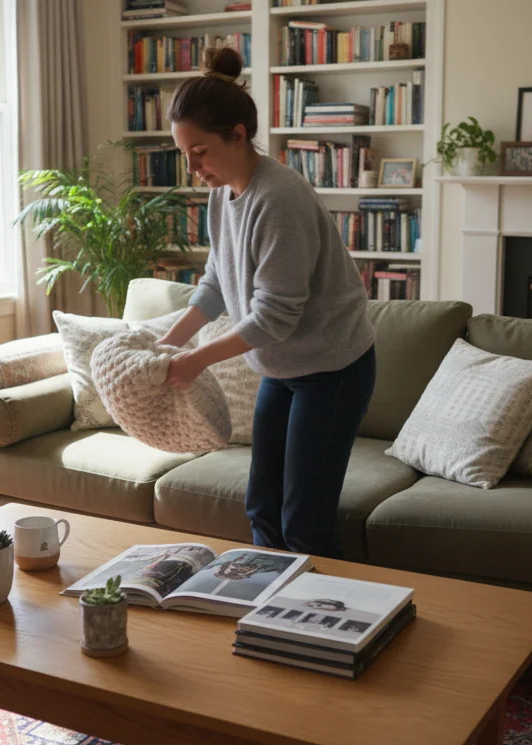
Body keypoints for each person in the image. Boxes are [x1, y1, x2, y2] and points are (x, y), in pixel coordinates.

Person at [154, 47, 377, 559]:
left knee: (304, 523)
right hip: (279, 371)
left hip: (333, 372)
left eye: (199, 151)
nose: (192, 168)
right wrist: (166, 344)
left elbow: (275, 316)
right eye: (184, 153)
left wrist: (194, 361)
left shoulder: (280, 199)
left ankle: (319, 608)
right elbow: (216, 282)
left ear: (237, 135)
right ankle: (265, 597)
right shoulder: (221, 193)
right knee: (262, 509)